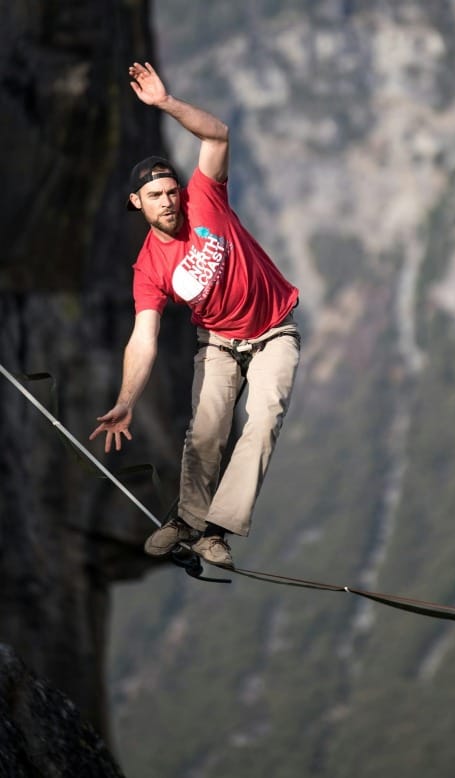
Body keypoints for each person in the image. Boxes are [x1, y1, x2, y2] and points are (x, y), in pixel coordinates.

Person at [90, 61, 300, 569]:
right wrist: (125, 401)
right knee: (206, 430)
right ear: (136, 203)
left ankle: (218, 530)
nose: (168, 201)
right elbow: (144, 339)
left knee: (264, 417)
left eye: (171, 191)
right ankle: (187, 520)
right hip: (219, 342)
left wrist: (165, 104)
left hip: (275, 331)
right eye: (156, 196)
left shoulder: (206, 197)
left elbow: (218, 134)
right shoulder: (148, 267)